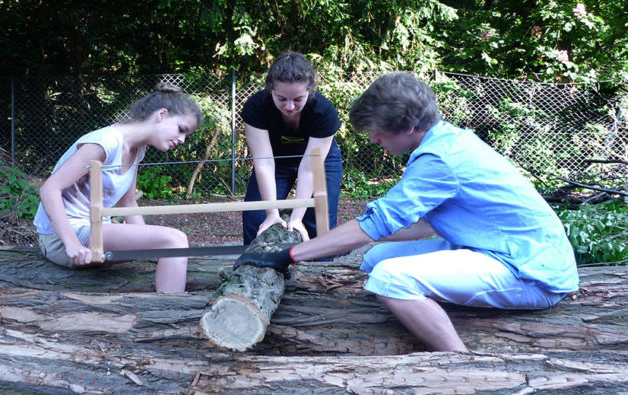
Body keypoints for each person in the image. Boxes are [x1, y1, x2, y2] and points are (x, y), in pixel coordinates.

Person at [235, 72, 579, 351]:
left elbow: (377, 222)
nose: (372, 140)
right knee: (376, 259)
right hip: (499, 250)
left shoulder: (438, 160)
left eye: (377, 132)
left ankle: (460, 361)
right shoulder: (447, 140)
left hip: (529, 271)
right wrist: (342, 241)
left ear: (409, 127)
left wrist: (291, 254)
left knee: (389, 277)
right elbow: (416, 226)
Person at [33, 83, 202, 293]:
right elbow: (49, 189)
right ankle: (171, 312)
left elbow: (128, 202)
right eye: (181, 129)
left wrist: (151, 244)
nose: (182, 140)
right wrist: (72, 245)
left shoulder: (137, 150)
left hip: (95, 233)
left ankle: (168, 303)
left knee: (170, 244)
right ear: (162, 114)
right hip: (63, 240)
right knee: (175, 240)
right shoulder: (104, 143)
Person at [241, 50, 342, 244]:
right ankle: (254, 269)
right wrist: (272, 214)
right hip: (274, 160)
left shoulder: (324, 112)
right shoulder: (256, 107)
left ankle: (319, 271)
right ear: (271, 90)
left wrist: (296, 218)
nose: (289, 107)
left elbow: (309, 169)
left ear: (309, 92)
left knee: (320, 222)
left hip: (320, 163)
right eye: (281, 98)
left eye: (298, 99)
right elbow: (264, 164)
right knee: (256, 218)